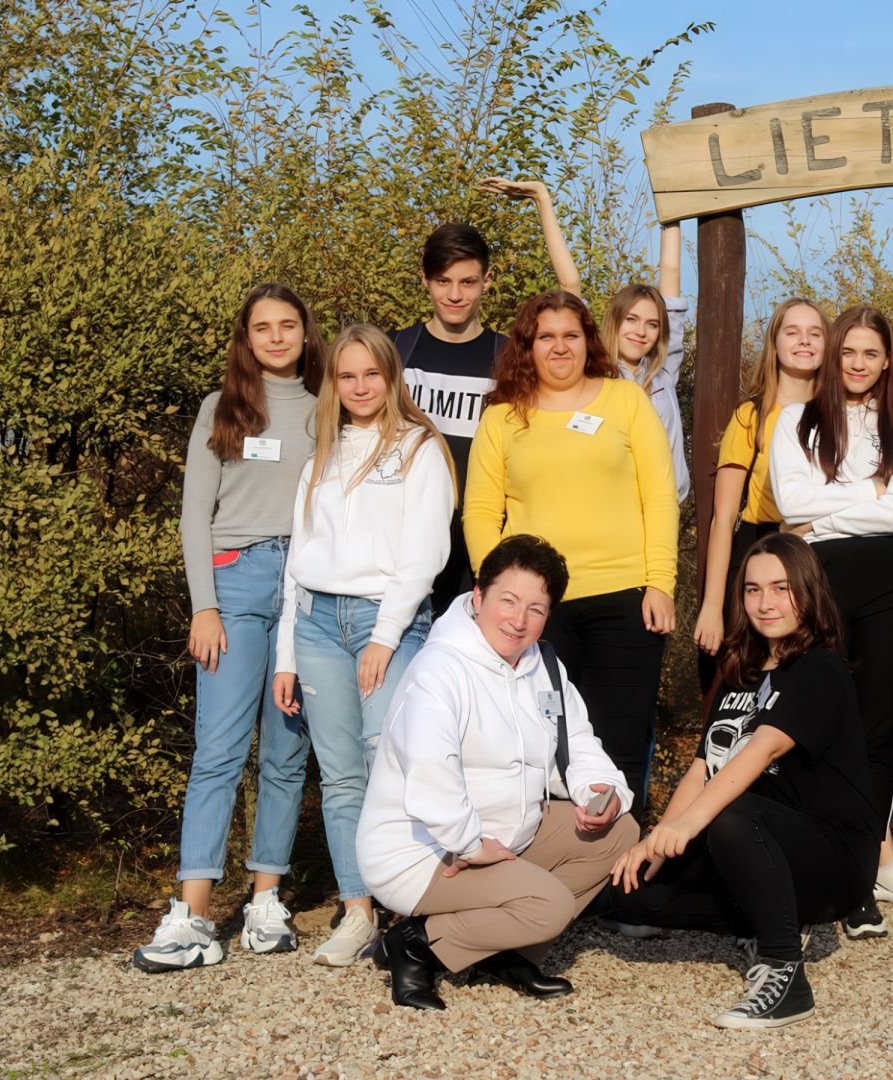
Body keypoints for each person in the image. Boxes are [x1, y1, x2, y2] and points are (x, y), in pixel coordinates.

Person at [605, 533, 881, 1030]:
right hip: (755, 841)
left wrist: (688, 826)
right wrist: (657, 839)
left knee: (731, 815)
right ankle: (767, 916)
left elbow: (762, 750)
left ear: (808, 591)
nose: (765, 602)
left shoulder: (819, 669)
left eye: (780, 588)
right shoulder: (740, 673)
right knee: (634, 895)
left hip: (831, 860)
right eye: (753, 590)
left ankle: (785, 974)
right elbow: (702, 768)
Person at [357, 535, 639, 1010]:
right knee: (549, 905)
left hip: (504, 833)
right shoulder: (440, 669)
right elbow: (430, 768)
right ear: (478, 596)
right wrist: (469, 842)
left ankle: (501, 952)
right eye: (507, 601)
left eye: (536, 609)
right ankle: (414, 943)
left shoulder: (544, 666)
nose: (519, 620)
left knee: (619, 833)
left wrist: (599, 788)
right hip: (426, 849)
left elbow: (576, 739)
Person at [133, 284, 324, 973]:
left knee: (286, 754)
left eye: (287, 325)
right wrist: (203, 606)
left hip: (305, 587)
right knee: (217, 751)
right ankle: (191, 915)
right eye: (262, 327)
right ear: (246, 338)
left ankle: (266, 903)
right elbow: (195, 514)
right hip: (234, 585)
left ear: (305, 333)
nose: (276, 337)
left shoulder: (328, 409)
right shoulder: (222, 408)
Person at [272, 324, 457, 966]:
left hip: (389, 620)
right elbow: (298, 562)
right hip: (317, 624)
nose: (359, 387)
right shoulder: (321, 455)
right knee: (342, 775)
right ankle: (357, 912)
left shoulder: (418, 449)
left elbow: (425, 553)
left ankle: (413, 913)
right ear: (334, 383)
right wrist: (286, 657)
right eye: (347, 376)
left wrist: (384, 636)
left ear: (390, 376)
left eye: (371, 374)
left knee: (394, 764)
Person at [463, 290, 678, 807]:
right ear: (527, 346)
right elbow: (481, 512)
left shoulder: (626, 400)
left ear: (588, 342)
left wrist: (661, 582)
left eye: (570, 336)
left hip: (625, 599)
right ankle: (552, 856)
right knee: (544, 748)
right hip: (537, 610)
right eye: (546, 337)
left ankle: (621, 857)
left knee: (620, 746)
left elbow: (659, 494)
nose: (559, 347)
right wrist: (500, 596)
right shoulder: (502, 418)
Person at [769, 305, 893, 935]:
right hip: (819, 581)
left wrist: (826, 510)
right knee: (817, 723)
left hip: (892, 581)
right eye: (849, 352)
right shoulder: (796, 421)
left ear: (887, 359)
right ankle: (827, 864)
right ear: (834, 355)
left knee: (876, 730)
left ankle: (865, 870)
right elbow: (791, 502)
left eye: (871, 353)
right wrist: (870, 491)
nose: (859, 364)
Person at [482, 177, 692, 501]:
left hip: (664, 505)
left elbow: (671, 270)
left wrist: (672, 192)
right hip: (615, 505)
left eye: (652, 324)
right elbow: (570, 284)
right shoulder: (597, 371)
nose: (641, 331)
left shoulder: (664, 371)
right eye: (631, 320)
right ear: (614, 321)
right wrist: (542, 198)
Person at [694, 298, 827, 688]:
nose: (804, 341)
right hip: (760, 550)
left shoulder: (840, 417)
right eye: (792, 332)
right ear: (775, 342)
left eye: (815, 333)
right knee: (748, 682)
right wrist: (712, 607)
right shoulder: (750, 416)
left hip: (822, 552)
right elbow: (723, 519)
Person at [391, 223, 511, 606]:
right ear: (424, 279)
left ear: (487, 281)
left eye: (467, 282)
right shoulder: (394, 350)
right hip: (400, 543)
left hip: (478, 546)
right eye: (443, 281)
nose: (455, 295)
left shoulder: (510, 357)